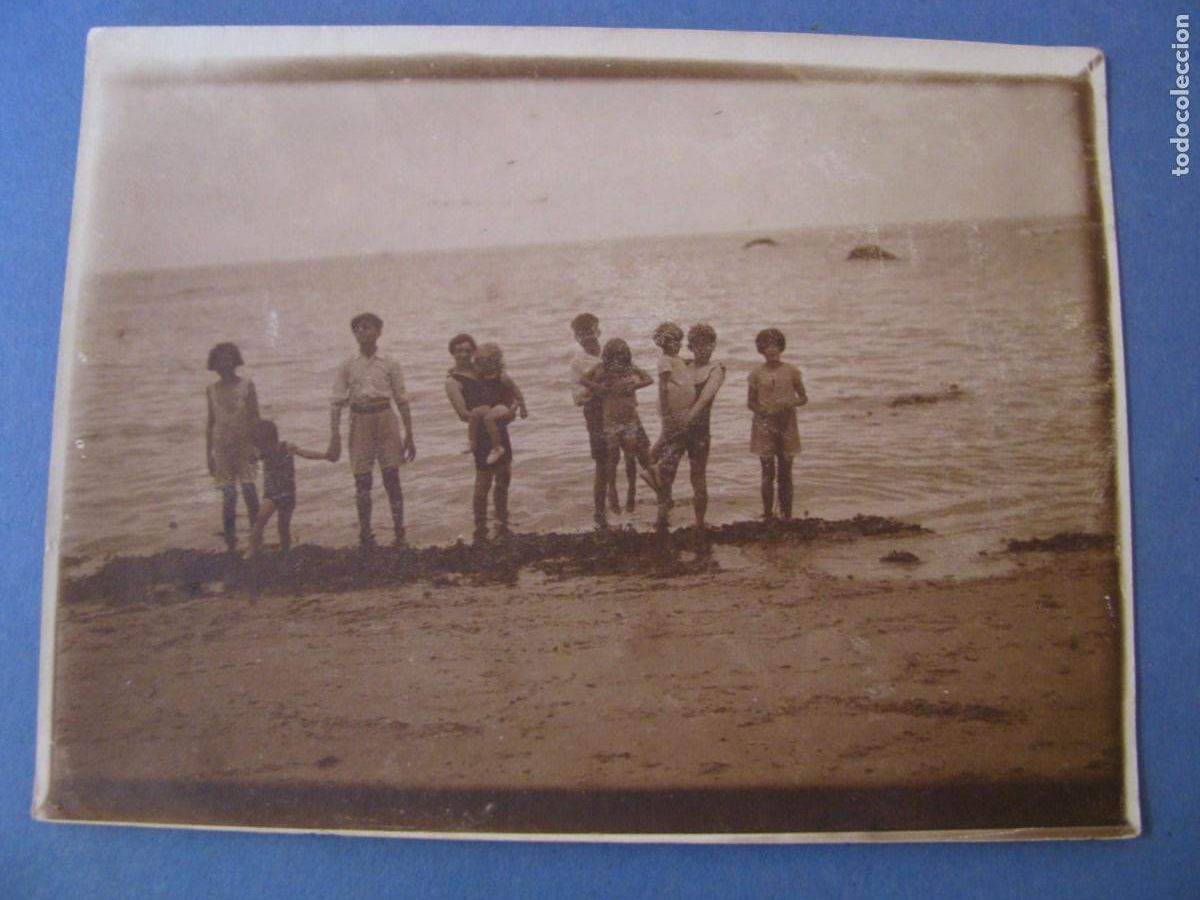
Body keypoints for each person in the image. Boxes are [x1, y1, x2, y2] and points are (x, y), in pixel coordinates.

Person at [328, 313, 416, 548]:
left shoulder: (390, 362)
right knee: (362, 479)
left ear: (379, 332)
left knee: (391, 476)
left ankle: (400, 530)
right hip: (359, 420)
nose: (362, 332)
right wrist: (334, 436)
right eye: (357, 328)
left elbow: (402, 399)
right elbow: (336, 401)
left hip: (386, 418)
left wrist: (409, 434)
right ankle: (365, 533)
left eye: (367, 328)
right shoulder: (347, 365)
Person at [656, 323, 726, 532]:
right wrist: (668, 424)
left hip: (699, 430)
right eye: (696, 344)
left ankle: (699, 523)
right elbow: (666, 391)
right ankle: (662, 518)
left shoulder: (716, 369)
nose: (702, 349)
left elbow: (704, 399)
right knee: (667, 471)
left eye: (707, 344)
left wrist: (686, 421)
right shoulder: (682, 365)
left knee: (697, 475)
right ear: (690, 346)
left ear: (713, 345)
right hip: (676, 427)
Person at [580, 338, 660, 516]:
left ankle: (631, 493)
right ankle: (612, 493)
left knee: (630, 459)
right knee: (612, 459)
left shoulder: (630, 368)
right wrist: (598, 388)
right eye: (614, 359)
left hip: (629, 421)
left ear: (625, 358)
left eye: (621, 359)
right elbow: (583, 380)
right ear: (607, 358)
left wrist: (635, 385)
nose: (617, 364)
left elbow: (650, 379)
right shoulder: (601, 370)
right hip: (611, 423)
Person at [569, 313, 627, 528]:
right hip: (595, 412)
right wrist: (594, 388)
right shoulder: (577, 363)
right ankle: (600, 511)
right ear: (576, 337)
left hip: (618, 409)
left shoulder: (611, 354)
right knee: (602, 461)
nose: (587, 337)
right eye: (581, 334)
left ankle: (620, 504)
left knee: (620, 456)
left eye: (590, 331)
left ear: (598, 331)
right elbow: (577, 398)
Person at [456, 343, 519, 539]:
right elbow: (463, 415)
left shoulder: (492, 374)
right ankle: (480, 525)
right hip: (481, 434)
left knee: (503, 477)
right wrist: (483, 413)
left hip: (499, 429)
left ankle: (501, 519)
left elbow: (513, 396)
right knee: (483, 482)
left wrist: (513, 410)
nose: (464, 354)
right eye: (459, 350)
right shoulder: (455, 380)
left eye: (468, 350)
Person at [747, 327, 807, 521]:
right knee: (767, 471)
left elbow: (803, 397)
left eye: (775, 346)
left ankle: (787, 515)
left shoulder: (792, 371)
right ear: (761, 350)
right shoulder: (756, 374)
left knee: (786, 471)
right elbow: (751, 402)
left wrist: (790, 402)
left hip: (787, 423)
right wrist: (761, 410)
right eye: (767, 347)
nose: (772, 350)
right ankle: (767, 514)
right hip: (764, 426)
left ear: (781, 348)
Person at [205, 342, 260, 552]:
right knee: (228, 495)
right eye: (219, 360)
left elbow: (255, 417)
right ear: (214, 364)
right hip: (222, 447)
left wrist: (257, 446)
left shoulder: (246, 384)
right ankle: (230, 541)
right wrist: (208, 455)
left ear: (235, 361)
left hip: (245, 444)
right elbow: (210, 423)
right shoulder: (211, 390)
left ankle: (256, 536)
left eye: (228, 359)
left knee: (249, 489)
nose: (224, 364)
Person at [247, 419, 331, 556]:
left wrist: (325, 456)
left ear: (272, 441)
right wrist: (250, 457)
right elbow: (252, 457)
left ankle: (285, 551)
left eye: (261, 446)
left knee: (283, 527)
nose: (261, 451)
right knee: (260, 520)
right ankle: (252, 549)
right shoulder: (262, 452)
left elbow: (306, 454)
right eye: (258, 447)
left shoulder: (286, 447)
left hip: (287, 494)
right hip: (271, 494)